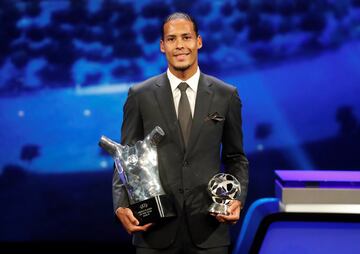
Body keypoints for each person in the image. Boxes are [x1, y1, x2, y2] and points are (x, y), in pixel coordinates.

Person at [112, 12, 249, 254]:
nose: (180, 45)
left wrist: (237, 200)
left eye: (186, 37)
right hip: (155, 231)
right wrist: (121, 205)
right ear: (162, 46)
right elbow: (125, 158)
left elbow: (236, 157)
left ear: (199, 41)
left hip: (209, 232)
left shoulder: (226, 95)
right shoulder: (139, 95)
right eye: (172, 39)